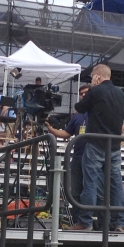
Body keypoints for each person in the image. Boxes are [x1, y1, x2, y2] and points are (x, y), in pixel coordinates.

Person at [69, 64, 124, 232]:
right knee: (116, 184)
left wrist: (93, 88)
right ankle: (120, 223)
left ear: (97, 77)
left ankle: (85, 221)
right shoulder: (122, 95)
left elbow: (79, 109)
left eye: (93, 77)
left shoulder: (95, 91)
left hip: (95, 142)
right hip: (114, 145)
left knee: (90, 183)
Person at [45, 84, 90, 224]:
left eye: (86, 93)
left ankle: (90, 221)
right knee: (75, 191)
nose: (83, 95)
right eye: (81, 93)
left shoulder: (98, 112)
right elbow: (66, 134)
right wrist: (50, 129)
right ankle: (78, 221)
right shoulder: (77, 116)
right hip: (77, 157)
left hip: (94, 156)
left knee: (90, 189)